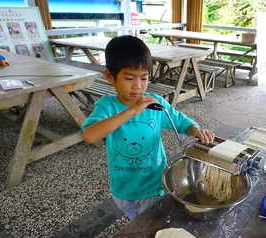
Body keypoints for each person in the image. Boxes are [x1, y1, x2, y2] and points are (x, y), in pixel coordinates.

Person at [81, 35, 214, 221]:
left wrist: (195, 130)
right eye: (129, 78)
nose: (138, 86)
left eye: (144, 78)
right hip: (123, 188)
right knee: (135, 221)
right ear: (110, 76)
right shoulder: (107, 106)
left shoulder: (155, 103)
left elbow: (181, 121)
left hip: (154, 184)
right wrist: (131, 111)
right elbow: (89, 135)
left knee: (152, 222)